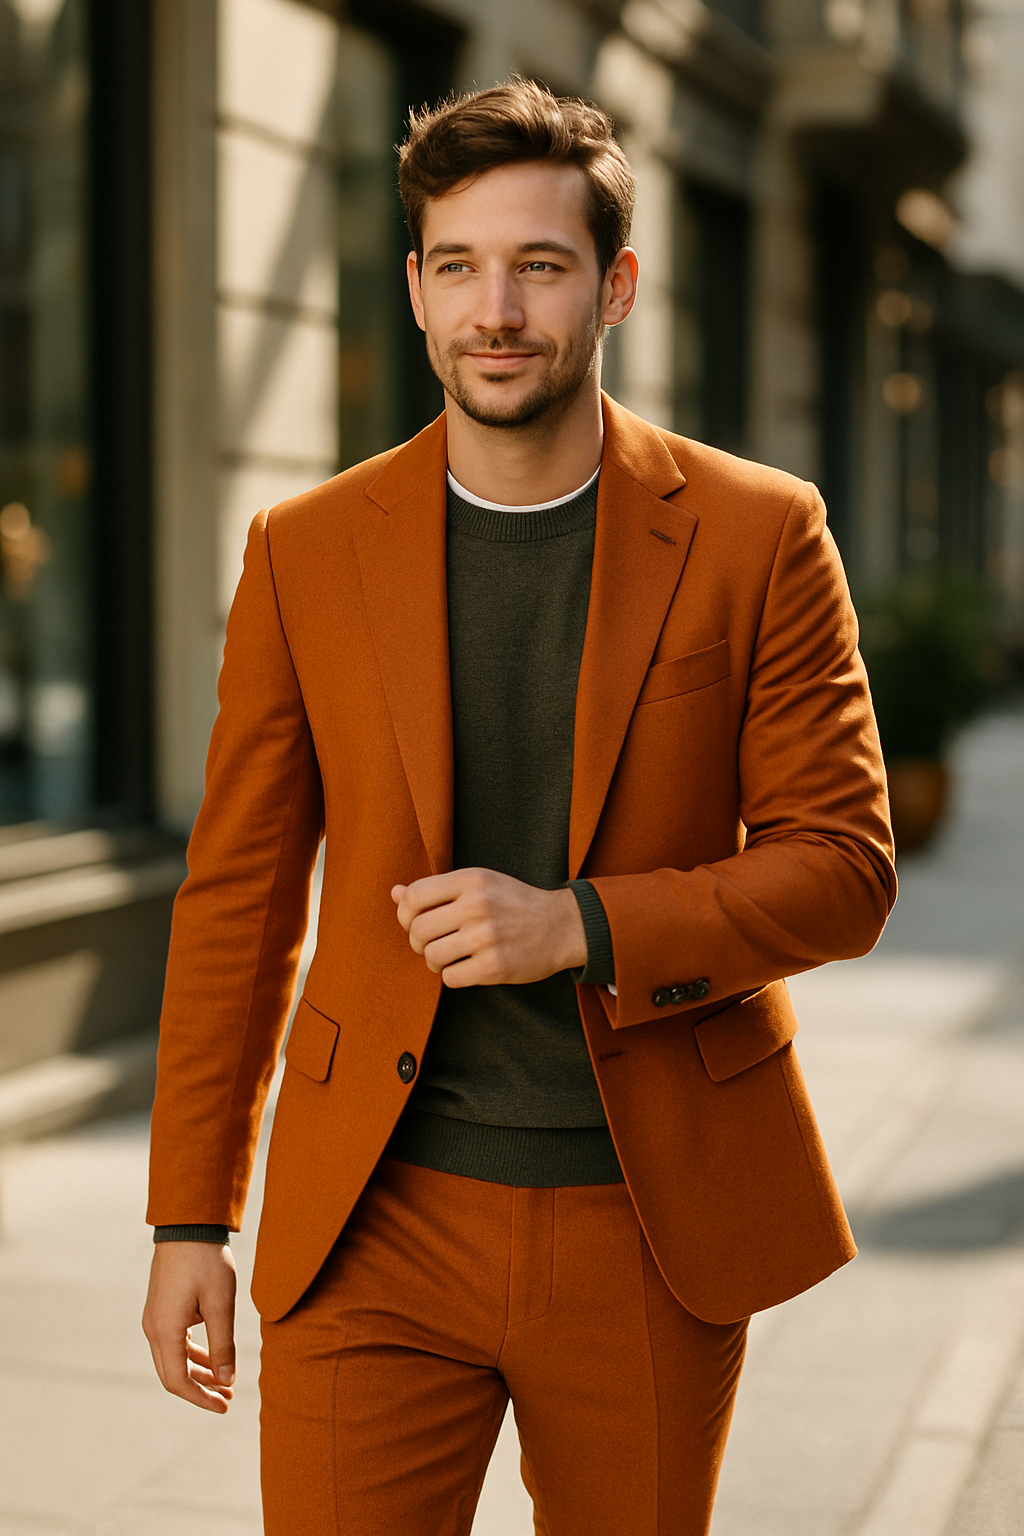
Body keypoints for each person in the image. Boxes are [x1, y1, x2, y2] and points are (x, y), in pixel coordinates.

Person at [142, 77, 896, 1536]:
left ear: (614, 286)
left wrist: (582, 927)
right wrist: (189, 1217)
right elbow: (236, 894)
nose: (497, 309)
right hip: (371, 1215)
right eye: (458, 266)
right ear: (416, 292)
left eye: (539, 267)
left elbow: (845, 869)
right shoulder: (304, 550)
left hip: (649, 1217)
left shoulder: (758, 534)